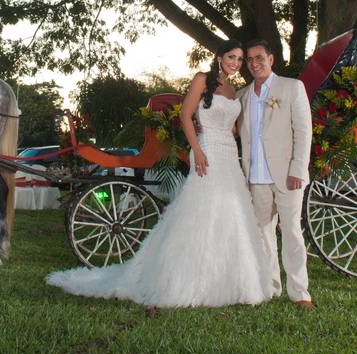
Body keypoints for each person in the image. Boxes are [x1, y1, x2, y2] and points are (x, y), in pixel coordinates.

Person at [45, 40, 278, 307]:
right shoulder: (203, 79)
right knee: (205, 209)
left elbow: (234, 127)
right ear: (219, 57)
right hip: (207, 150)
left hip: (229, 155)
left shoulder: (234, 89)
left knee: (233, 211)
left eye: (239, 59)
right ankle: (190, 280)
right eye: (231, 57)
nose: (235, 63)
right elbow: (186, 116)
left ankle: (234, 280)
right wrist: (197, 151)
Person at [237, 39, 314, 308]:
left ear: (271, 59)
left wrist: (297, 169)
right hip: (255, 177)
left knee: (292, 232)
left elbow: (304, 132)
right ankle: (270, 287)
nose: (254, 63)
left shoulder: (291, 87)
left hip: (286, 175)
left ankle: (300, 293)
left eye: (259, 58)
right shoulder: (243, 95)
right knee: (262, 235)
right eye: (249, 60)